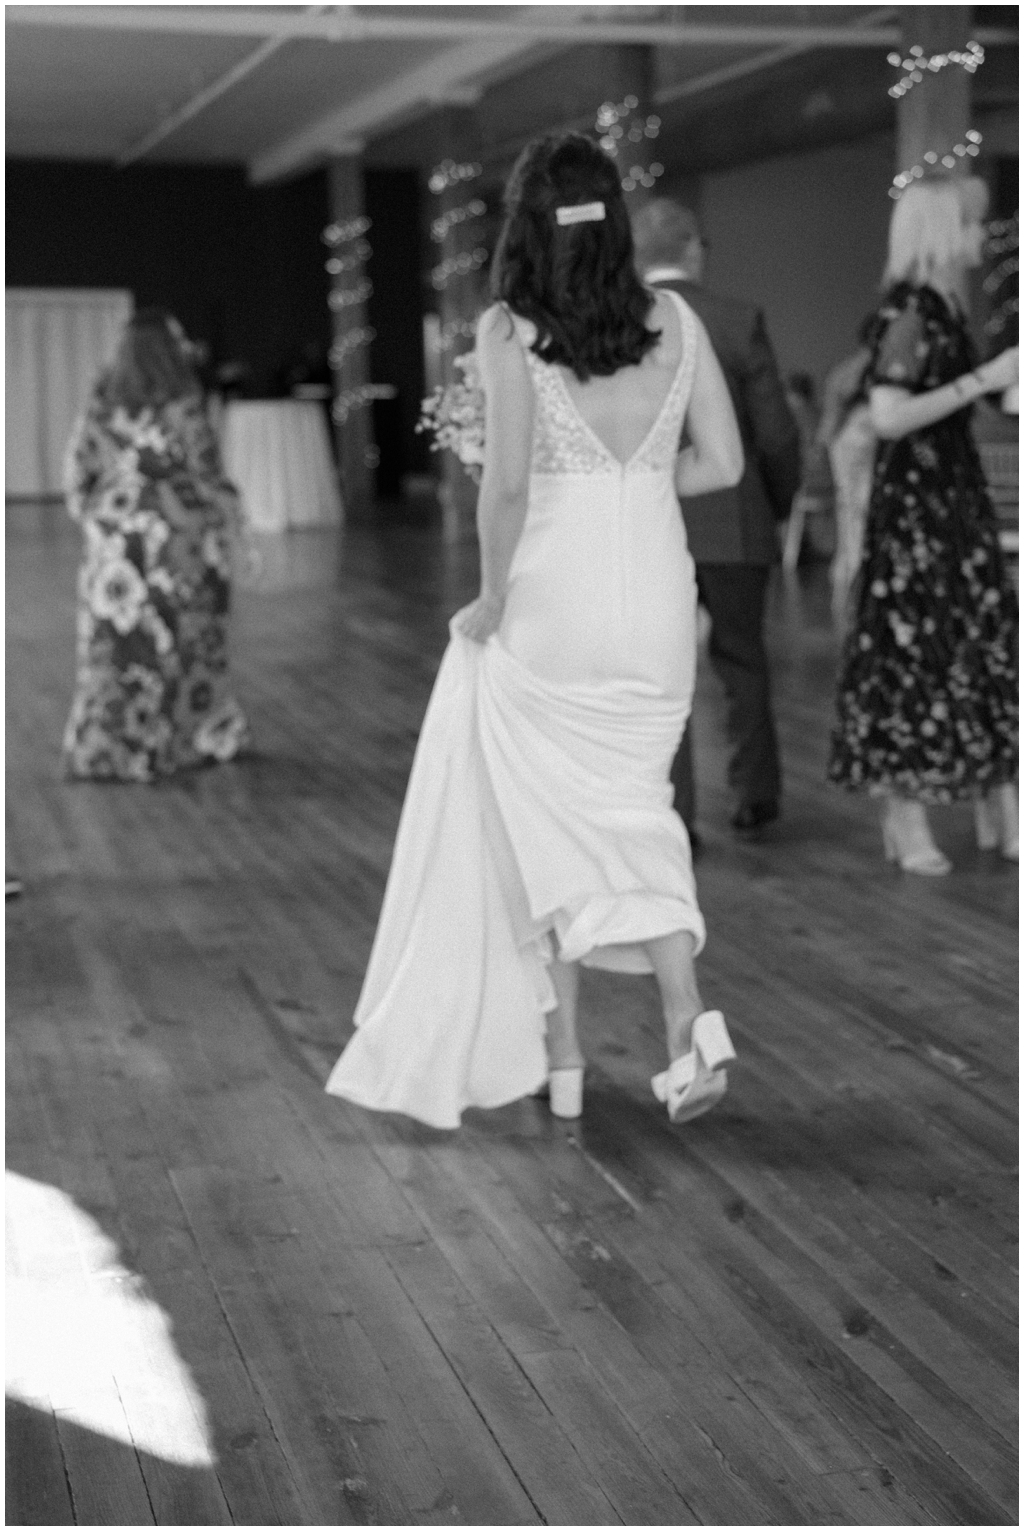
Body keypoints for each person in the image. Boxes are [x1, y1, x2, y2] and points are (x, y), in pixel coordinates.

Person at [326, 134, 744, 1129]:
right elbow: (723, 463)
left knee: (538, 825)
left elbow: (507, 486)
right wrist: (639, 485)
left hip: (550, 607)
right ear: (615, 221)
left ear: (523, 224)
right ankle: (687, 1022)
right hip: (652, 607)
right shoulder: (677, 321)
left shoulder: (508, 330)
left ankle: (561, 1059)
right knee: (636, 812)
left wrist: (487, 598)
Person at [828, 176, 1018, 871]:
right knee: (916, 654)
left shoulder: (946, 308)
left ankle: (998, 798)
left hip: (954, 495)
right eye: (971, 226)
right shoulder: (910, 311)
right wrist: (984, 378)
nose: (980, 237)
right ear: (944, 232)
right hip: (916, 507)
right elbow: (888, 416)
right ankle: (904, 815)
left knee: (978, 640)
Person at [632, 199, 801, 838]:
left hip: (653, 520)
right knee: (743, 661)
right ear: (695, 249)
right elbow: (777, 433)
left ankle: (674, 815)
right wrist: (778, 507)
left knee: (663, 668)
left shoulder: (622, 322)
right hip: (735, 519)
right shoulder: (736, 319)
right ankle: (754, 798)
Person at [62, 308, 249, 783]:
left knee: (115, 649)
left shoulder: (100, 405)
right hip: (180, 543)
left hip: (115, 547)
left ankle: (108, 749)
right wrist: (235, 529)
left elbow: (76, 480)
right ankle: (186, 740)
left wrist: (106, 519)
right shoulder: (185, 405)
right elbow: (209, 477)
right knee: (185, 642)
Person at [817, 323, 877, 620]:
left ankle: (848, 565)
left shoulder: (850, 366)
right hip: (852, 440)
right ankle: (853, 567)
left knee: (850, 506)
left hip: (842, 441)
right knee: (856, 506)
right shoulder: (868, 365)